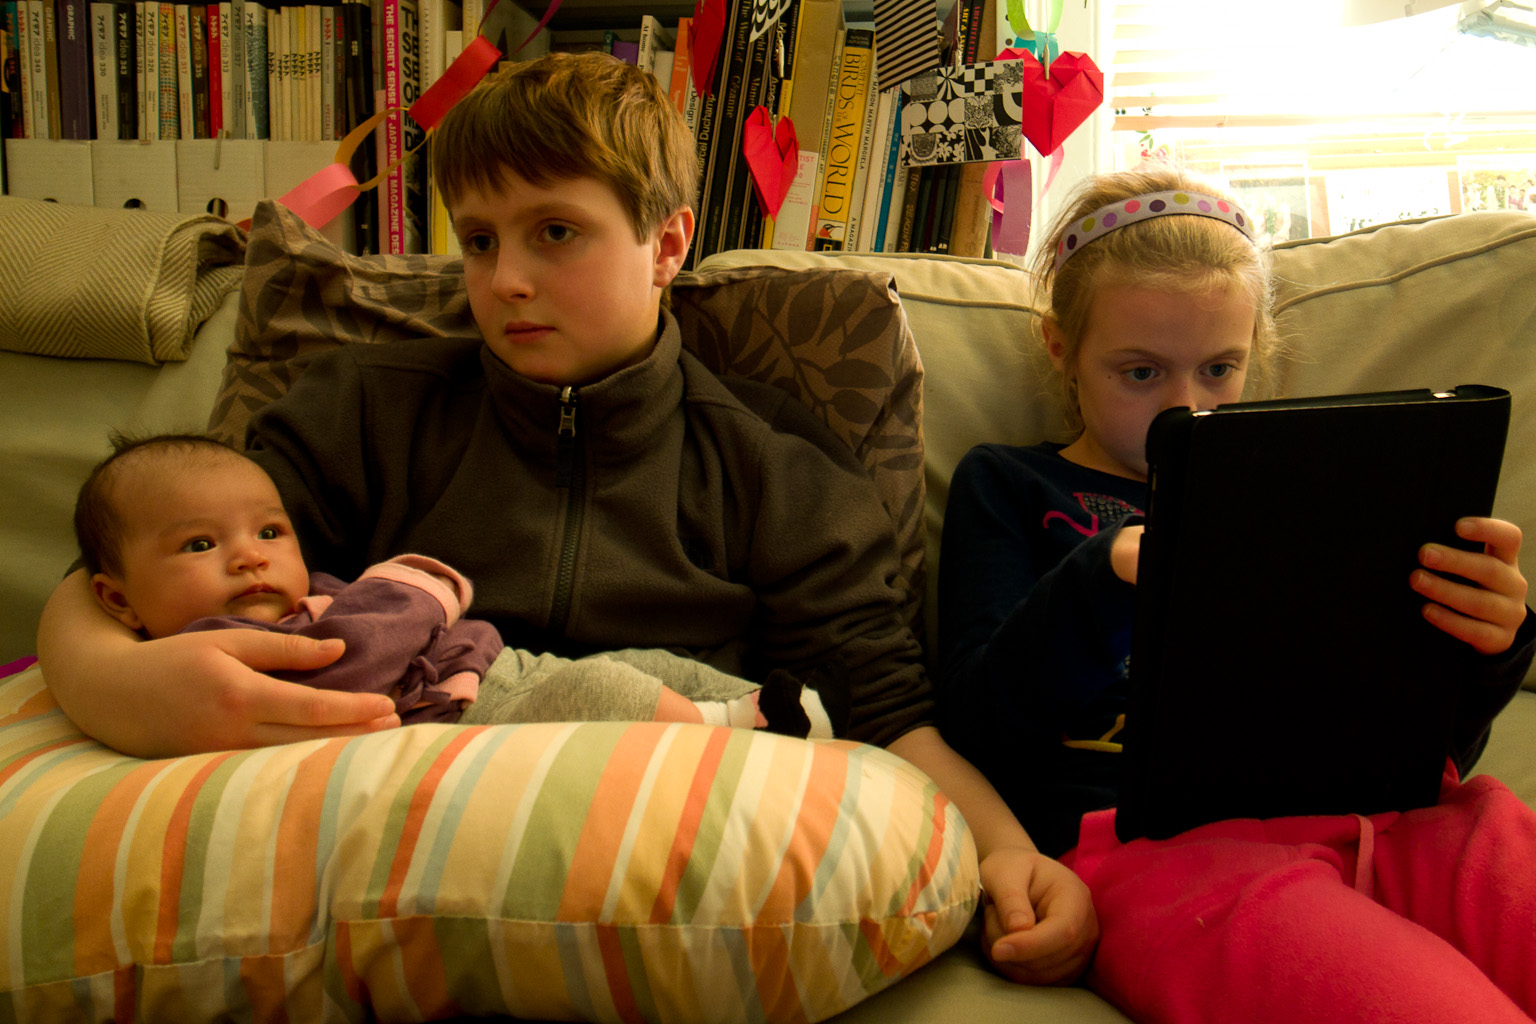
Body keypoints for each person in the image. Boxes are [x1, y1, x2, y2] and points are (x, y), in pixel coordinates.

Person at [36, 52, 1097, 984]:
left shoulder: (778, 466)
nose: (505, 281)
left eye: (555, 233)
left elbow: (884, 707)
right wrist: (120, 681)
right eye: (480, 239)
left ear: (667, 245)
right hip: (391, 827)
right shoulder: (361, 410)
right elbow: (127, 572)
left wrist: (1010, 853)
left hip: (673, 847)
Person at [937, 164, 1536, 1022]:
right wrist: (1104, 577)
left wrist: (1487, 645)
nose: (1185, 408)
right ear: (1061, 348)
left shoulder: (1312, 487)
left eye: (1220, 368)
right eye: (1141, 373)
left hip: (1393, 816)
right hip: (1160, 849)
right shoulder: (1009, 485)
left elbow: (1426, 750)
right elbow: (977, 723)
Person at [75, 432, 836, 734]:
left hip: (498, 664)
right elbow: (354, 659)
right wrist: (409, 587)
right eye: (201, 545)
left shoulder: (313, 592)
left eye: (271, 533)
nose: (249, 558)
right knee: (605, 692)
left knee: (648, 665)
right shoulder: (210, 654)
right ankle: (738, 728)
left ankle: (785, 706)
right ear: (117, 599)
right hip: (464, 711)